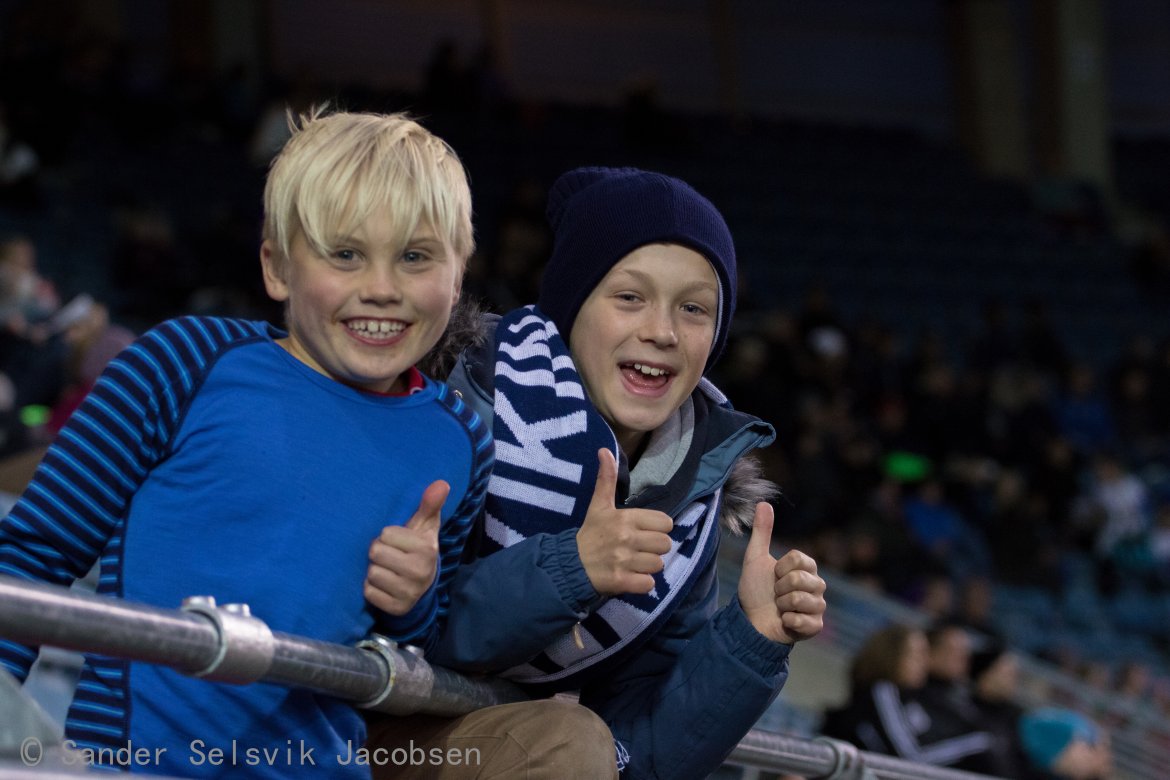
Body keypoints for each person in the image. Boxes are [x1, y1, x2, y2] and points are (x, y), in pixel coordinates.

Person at [0, 108, 492, 777]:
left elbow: (409, 659)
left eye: (414, 257)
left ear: (458, 275)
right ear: (277, 267)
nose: (381, 289)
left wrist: (411, 602)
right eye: (345, 254)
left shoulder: (460, 440)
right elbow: (30, 555)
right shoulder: (183, 362)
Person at [366, 166, 827, 779]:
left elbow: (637, 758)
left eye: (694, 308)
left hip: (488, 748)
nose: (662, 332)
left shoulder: (692, 504)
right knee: (569, 740)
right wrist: (571, 569)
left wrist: (753, 639)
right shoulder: (458, 400)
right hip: (350, 729)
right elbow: (390, 625)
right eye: (630, 297)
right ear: (572, 307)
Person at [819, 623, 992, 767]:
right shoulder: (882, 691)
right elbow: (912, 756)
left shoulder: (910, 698)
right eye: (916, 655)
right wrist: (975, 744)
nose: (924, 662)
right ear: (893, 657)